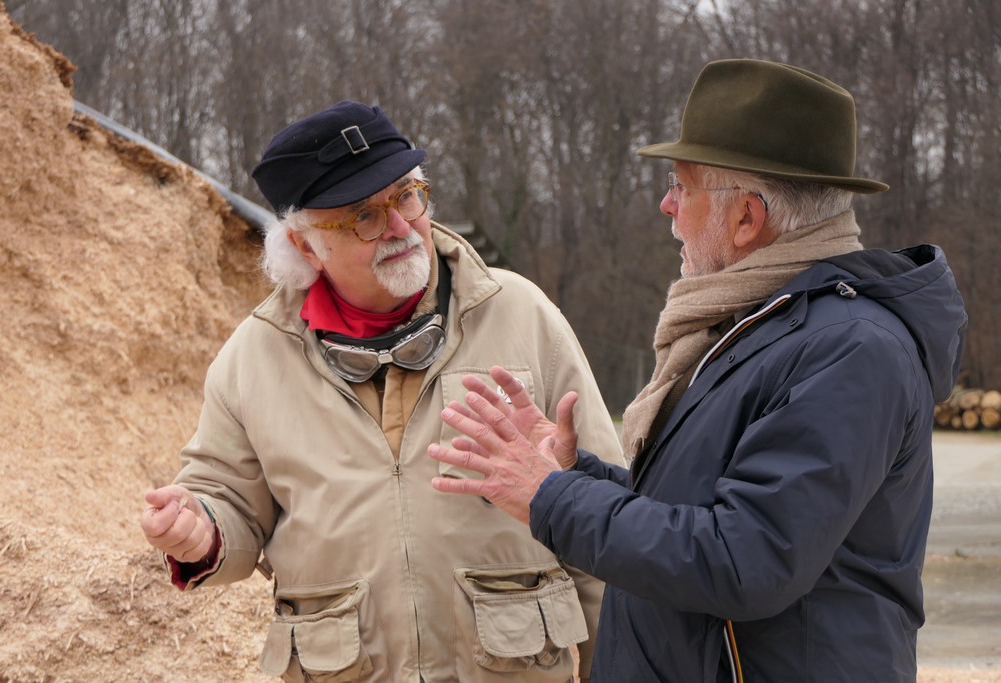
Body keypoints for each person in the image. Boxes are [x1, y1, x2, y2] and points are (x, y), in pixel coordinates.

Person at [427, 59, 968, 681]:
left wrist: (552, 497)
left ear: (746, 218)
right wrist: (578, 474)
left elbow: (747, 558)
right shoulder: (761, 327)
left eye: (681, 186)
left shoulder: (849, 349)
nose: (666, 206)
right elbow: (697, 511)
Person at [139, 100, 622, 682]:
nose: (400, 226)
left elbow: (605, 527)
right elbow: (231, 501)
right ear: (306, 245)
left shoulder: (521, 313)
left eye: (406, 195)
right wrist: (204, 530)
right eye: (364, 216)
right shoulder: (252, 358)